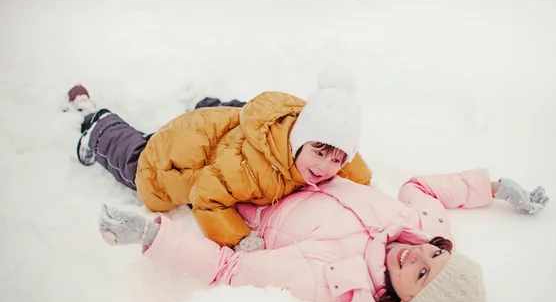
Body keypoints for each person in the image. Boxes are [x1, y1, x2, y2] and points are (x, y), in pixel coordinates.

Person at [97, 168, 549, 302]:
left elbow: (227, 268)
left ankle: (97, 127)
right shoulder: (422, 228)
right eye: (435, 258)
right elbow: (423, 188)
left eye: (422, 277)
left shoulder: (330, 277)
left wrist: (150, 235)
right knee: (228, 113)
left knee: (151, 163)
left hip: (245, 189)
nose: (419, 259)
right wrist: (494, 189)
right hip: (297, 158)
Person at [66, 66, 372, 249]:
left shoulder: (313, 137)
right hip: (172, 156)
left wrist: (365, 184)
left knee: (238, 114)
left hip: (216, 128)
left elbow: (346, 158)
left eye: (337, 160)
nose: (325, 167)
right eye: (319, 154)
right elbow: (206, 198)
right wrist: (240, 238)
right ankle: (98, 126)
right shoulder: (251, 168)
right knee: (136, 160)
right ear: (298, 140)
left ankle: (206, 102)